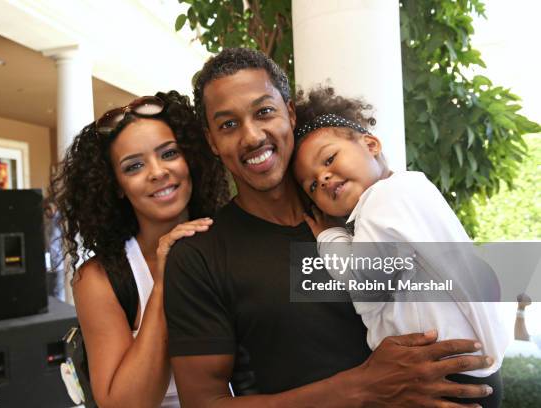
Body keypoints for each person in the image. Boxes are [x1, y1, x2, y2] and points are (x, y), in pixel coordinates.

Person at [164, 47, 496, 407]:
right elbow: (203, 403)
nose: (252, 136)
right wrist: (362, 387)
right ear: (212, 141)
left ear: (289, 113)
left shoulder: (367, 210)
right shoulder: (200, 256)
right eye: (228, 124)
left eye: (264, 112)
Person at [291, 86, 507, 407]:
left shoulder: (382, 200)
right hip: (460, 370)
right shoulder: (408, 191)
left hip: (445, 376)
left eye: (329, 158)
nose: (322, 177)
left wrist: (329, 236)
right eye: (311, 185)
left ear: (370, 143)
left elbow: (366, 284)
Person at [49, 91, 229, 408]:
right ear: (116, 184)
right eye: (134, 166)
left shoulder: (233, 240)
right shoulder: (100, 279)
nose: (157, 172)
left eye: (169, 153)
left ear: (190, 159)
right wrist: (163, 282)